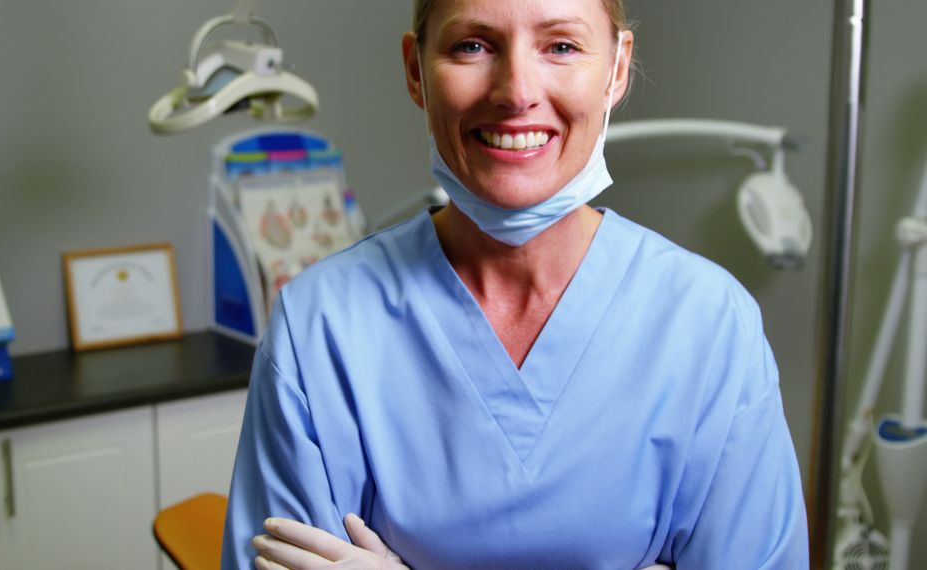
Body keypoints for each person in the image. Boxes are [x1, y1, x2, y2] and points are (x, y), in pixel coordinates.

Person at [221, 0, 810, 568]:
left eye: (561, 45)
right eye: (472, 45)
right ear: (415, 70)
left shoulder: (708, 324)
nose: (517, 92)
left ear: (617, 69)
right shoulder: (320, 327)